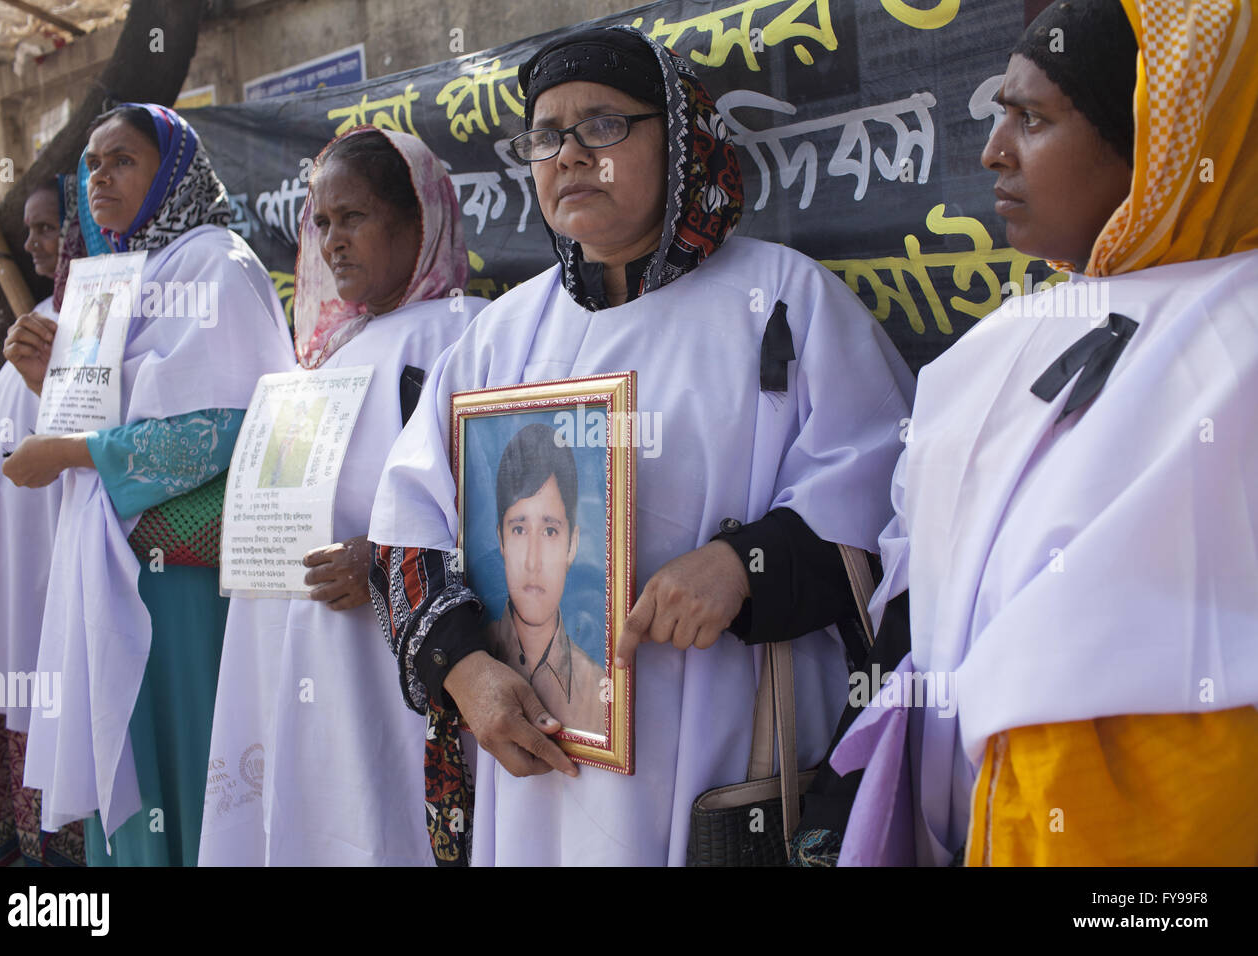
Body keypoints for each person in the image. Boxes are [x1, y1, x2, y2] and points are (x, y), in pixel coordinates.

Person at [368, 25, 914, 866]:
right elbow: (409, 524)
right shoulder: (495, 338)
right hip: (536, 771)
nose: (570, 155)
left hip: (718, 755)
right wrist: (465, 668)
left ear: (682, 140)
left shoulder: (785, 302)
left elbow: (890, 509)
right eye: (545, 136)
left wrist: (744, 567)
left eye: (603, 126)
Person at [819, 0, 1258, 866]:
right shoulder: (1008, 334)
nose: (993, 152)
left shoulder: (1238, 339)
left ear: (1157, 141)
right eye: (999, 114)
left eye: (1033, 118)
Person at [8, 103, 295, 866]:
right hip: (115, 564)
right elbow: (106, 411)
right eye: (92, 166)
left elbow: (231, 425)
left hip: (182, 577)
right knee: (131, 772)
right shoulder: (111, 283)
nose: (100, 177)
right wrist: (47, 378)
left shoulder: (216, 264)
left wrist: (70, 452)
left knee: (189, 764)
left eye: (123, 160)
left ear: (171, 171)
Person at [198, 127, 486, 866]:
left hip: (399, 673)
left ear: (417, 219)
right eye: (320, 223)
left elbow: (512, 513)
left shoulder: (461, 341)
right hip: (306, 661)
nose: (331, 242)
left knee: (384, 828)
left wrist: (384, 562)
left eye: (352, 217)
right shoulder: (328, 354)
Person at [0, 181, 87, 866]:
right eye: (31, 230)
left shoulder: (90, 328)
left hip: (53, 560)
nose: (37, 243)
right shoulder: (33, 322)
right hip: (11, 571)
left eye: (50, 229)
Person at [485, 423, 605, 733]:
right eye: (519, 529)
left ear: (572, 545)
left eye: (550, 531)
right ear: (500, 540)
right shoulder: (473, 657)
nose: (532, 561)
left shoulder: (600, 691)